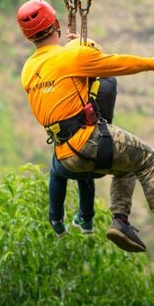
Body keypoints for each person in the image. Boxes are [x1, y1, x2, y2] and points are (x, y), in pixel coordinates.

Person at [18, 0, 154, 252]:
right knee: (149, 158)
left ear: (29, 37)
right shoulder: (72, 56)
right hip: (89, 141)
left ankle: (121, 221)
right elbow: (112, 64)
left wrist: (79, 47)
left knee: (126, 165)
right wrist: (152, 63)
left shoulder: (28, 70)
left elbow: (68, 68)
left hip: (64, 156)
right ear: (56, 25)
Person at [48, 39, 116, 237]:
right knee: (85, 167)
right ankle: (86, 220)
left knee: (57, 169)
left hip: (75, 152)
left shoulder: (74, 84)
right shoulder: (110, 82)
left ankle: (56, 219)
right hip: (102, 153)